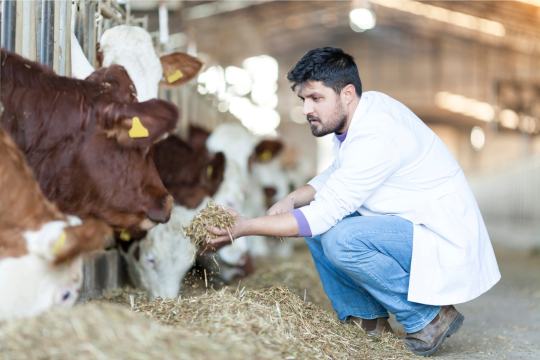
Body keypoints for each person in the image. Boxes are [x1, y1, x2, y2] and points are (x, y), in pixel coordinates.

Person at [207, 47, 500, 357]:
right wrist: (292, 198)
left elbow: (323, 215)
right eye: (303, 99)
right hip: (413, 228)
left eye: (316, 98)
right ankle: (367, 321)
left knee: (339, 237)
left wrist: (244, 227)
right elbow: (337, 174)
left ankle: (428, 318)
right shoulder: (363, 113)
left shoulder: (377, 133)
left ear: (346, 93)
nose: (306, 109)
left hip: (440, 237)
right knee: (325, 230)